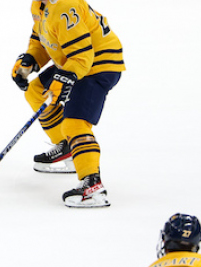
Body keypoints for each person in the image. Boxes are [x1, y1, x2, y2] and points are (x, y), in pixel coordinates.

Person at [10, 0, 125, 208]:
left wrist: (65, 78)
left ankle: (93, 186)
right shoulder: (39, 5)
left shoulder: (65, 6)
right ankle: (69, 148)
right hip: (75, 61)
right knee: (36, 92)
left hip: (98, 65)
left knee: (75, 123)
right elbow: (43, 39)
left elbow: (83, 55)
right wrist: (30, 60)